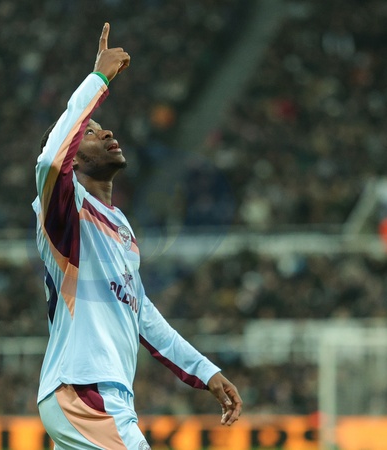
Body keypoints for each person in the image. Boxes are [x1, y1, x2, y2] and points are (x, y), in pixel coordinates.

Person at [32, 22, 243, 449]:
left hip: (98, 393)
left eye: (102, 128)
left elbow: (142, 314)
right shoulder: (65, 213)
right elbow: (50, 161)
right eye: (90, 132)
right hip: (86, 391)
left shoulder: (120, 228)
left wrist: (204, 371)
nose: (107, 133)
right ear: (74, 157)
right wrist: (99, 78)